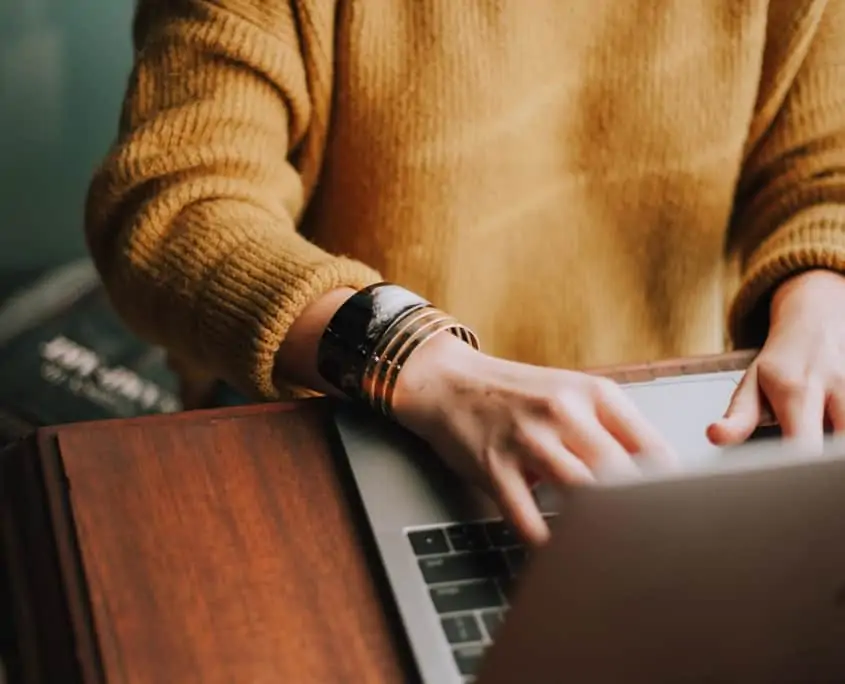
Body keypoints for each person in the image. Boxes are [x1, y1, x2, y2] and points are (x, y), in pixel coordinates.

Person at [85, 0, 845, 545]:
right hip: (344, 421)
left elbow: (826, 170)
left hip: (661, 439)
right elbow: (175, 206)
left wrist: (821, 297)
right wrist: (420, 362)